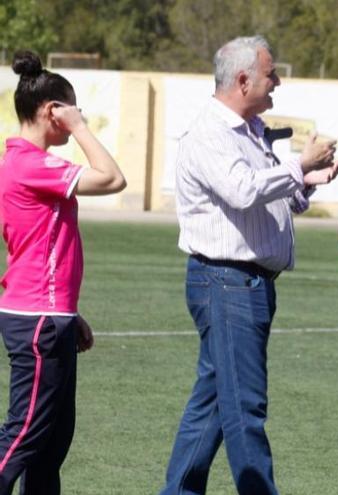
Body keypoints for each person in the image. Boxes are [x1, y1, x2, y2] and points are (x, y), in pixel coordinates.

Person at [160, 35, 338, 495]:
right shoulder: (211, 132)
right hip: (227, 282)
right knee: (244, 409)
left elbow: (267, 199)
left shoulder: (248, 129)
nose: (277, 81)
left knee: (215, 405)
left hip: (243, 283)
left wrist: (308, 181)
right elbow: (243, 190)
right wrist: (299, 165)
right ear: (243, 80)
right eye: (270, 74)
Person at [0, 50, 127, 494]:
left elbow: (40, 247)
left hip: (49, 315)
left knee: (50, 444)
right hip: (37, 320)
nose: (78, 120)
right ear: (52, 111)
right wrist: (80, 128)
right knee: (22, 436)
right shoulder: (30, 164)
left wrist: (71, 313)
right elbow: (112, 178)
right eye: (71, 110)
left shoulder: (25, 164)